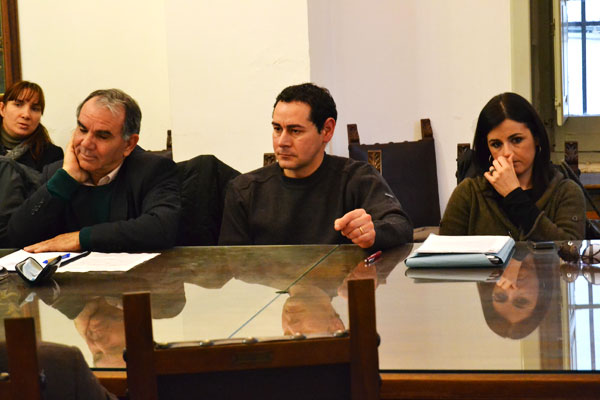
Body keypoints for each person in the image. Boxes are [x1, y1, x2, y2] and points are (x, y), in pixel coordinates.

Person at [218, 83, 412, 249]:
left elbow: (401, 225)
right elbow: (232, 264)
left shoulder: (356, 179)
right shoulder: (245, 190)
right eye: (277, 129)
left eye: (295, 131)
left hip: (341, 282)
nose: (282, 142)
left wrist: (373, 232)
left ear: (327, 130)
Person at [7, 88, 180, 252]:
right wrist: (66, 179)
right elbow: (18, 236)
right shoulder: (57, 173)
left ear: (129, 144)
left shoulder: (153, 170)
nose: (86, 143)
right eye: (82, 130)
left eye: (102, 136)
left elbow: (161, 227)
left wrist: (81, 239)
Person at [440, 92, 585, 240]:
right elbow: (443, 251)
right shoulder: (468, 193)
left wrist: (514, 195)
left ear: (536, 139)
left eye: (516, 140)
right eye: (496, 144)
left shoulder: (566, 191)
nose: (507, 153)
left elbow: (571, 249)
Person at [0, 81, 63, 171]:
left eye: (35, 109)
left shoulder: (52, 155)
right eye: (18, 105)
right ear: (2, 109)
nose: (26, 115)